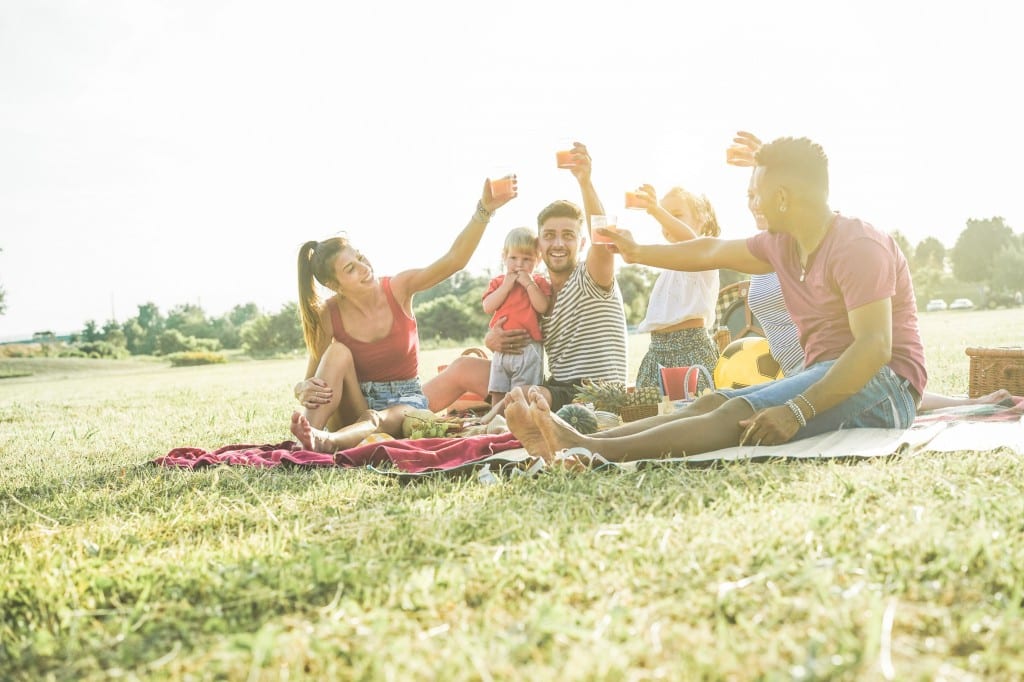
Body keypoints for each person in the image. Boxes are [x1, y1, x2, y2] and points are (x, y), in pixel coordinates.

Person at [504, 135, 927, 462]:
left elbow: (875, 347)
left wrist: (796, 410)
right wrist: (637, 253)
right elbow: (708, 249)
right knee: (710, 401)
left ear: (782, 197)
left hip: (885, 389)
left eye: (757, 191)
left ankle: (590, 450)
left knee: (735, 413)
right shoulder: (783, 244)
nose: (754, 201)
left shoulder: (858, 246)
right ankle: (583, 439)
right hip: (830, 377)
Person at [728, 131, 1011, 408]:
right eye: (749, 194)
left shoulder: (825, 244)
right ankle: (961, 404)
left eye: (759, 193)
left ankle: (963, 404)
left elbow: (816, 210)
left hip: (836, 368)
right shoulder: (764, 250)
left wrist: (779, 164)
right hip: (804, 372)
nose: (754, 202)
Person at [289, 177, 517, 453]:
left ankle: (540, 401)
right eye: (350, 269)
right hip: (354, 406)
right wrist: (302, 387)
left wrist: (485, 209)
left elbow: (454, 260)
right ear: (334, 286)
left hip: (407, 404)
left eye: (359, 258)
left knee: (462, 368)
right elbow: (313, 378)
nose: (364, 268)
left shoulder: (398, 288)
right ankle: (308, 440)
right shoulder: (329, 314)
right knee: (337, 353)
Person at [424, 142, 628, 415]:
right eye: (549, 235)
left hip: (593, 393)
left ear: (580, 243)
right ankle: (396, 415)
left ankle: (488, 428)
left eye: (567, 235)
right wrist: (492, 340)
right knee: (463, 367)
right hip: (552, 388)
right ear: (539, 249)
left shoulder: (590, 277)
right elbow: (512, 323)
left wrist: (585, 182)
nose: (558, 243)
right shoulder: (535, 289)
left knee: (528, 395)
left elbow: (602, 239)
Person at [631, 185, 721, 394]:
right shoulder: (668, 267)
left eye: (677, 215)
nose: (667, 221)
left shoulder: (706, 255)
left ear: (701, 218)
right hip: (656, 352)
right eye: (665, 214)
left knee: (692, 420)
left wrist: (655, 210)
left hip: (690, 351)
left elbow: (690, 241)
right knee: (650, 418)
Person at [482, 227, 552, 409]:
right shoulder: (499, 282)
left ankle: (517, 425)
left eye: (527, 259)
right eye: (513, 258)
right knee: (497, 390)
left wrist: (529, 284)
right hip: (501, 348)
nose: (519, 264)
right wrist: (506, 286)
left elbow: (543, 307)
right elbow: (487, 306)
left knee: (521, 394)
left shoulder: (538, 283)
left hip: (528, 347)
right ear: (504, 257)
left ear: (537, 261)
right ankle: (495, 421)